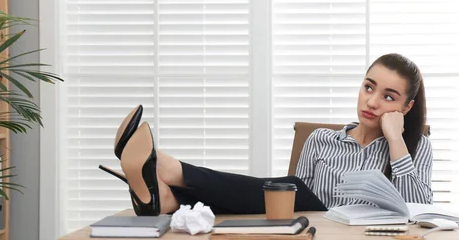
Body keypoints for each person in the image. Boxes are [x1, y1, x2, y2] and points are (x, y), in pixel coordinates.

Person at [99, 53, 433, 216]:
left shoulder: (414, 147)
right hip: (314, 237)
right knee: (280, 191)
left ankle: (165, 190)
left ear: (406, 106)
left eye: (389, 97)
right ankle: (164, 192)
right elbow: (289, 207)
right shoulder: (320, 139)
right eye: (368, 87)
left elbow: (418, 209)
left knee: (286, 191)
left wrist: (396, 142)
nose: (372, 101)